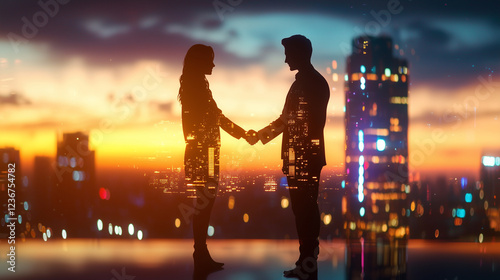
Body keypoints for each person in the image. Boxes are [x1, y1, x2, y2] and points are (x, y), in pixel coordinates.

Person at [246, 35, 329, 279]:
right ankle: (306, 261)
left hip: (304, 158)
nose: (285, 60)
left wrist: (261, 136)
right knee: (303, 209)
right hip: (301, 157)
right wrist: (261, 135)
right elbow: (288, 120)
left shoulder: (309, 84)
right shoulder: (307, 82)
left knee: (305, 210)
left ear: (300, 54)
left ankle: (308, 261)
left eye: (288, 54)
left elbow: (296, 122)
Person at [179, 44, 248, 272]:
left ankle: (201, 253)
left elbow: (214, 117)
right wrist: (242, 134)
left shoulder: (195, 86)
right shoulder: (197, 87)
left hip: (201, 152)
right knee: (203, 205)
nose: (214, 64)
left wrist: (239, 133)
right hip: (203, 153)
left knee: (203, 204)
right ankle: (200, 254)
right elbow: (216, 117)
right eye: (210, 59)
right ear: (200, 61)